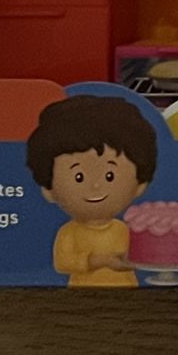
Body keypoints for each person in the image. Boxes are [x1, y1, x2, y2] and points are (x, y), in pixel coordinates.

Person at [24, 94, 158, 288]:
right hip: (83, 298)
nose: (95, 187)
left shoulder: (123, 230)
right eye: (79, 177)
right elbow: (63, 263)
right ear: (48, 190)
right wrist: (101, 261)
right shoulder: (69, 233)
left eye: (109, 176)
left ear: (140, 185)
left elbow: (138, 256)